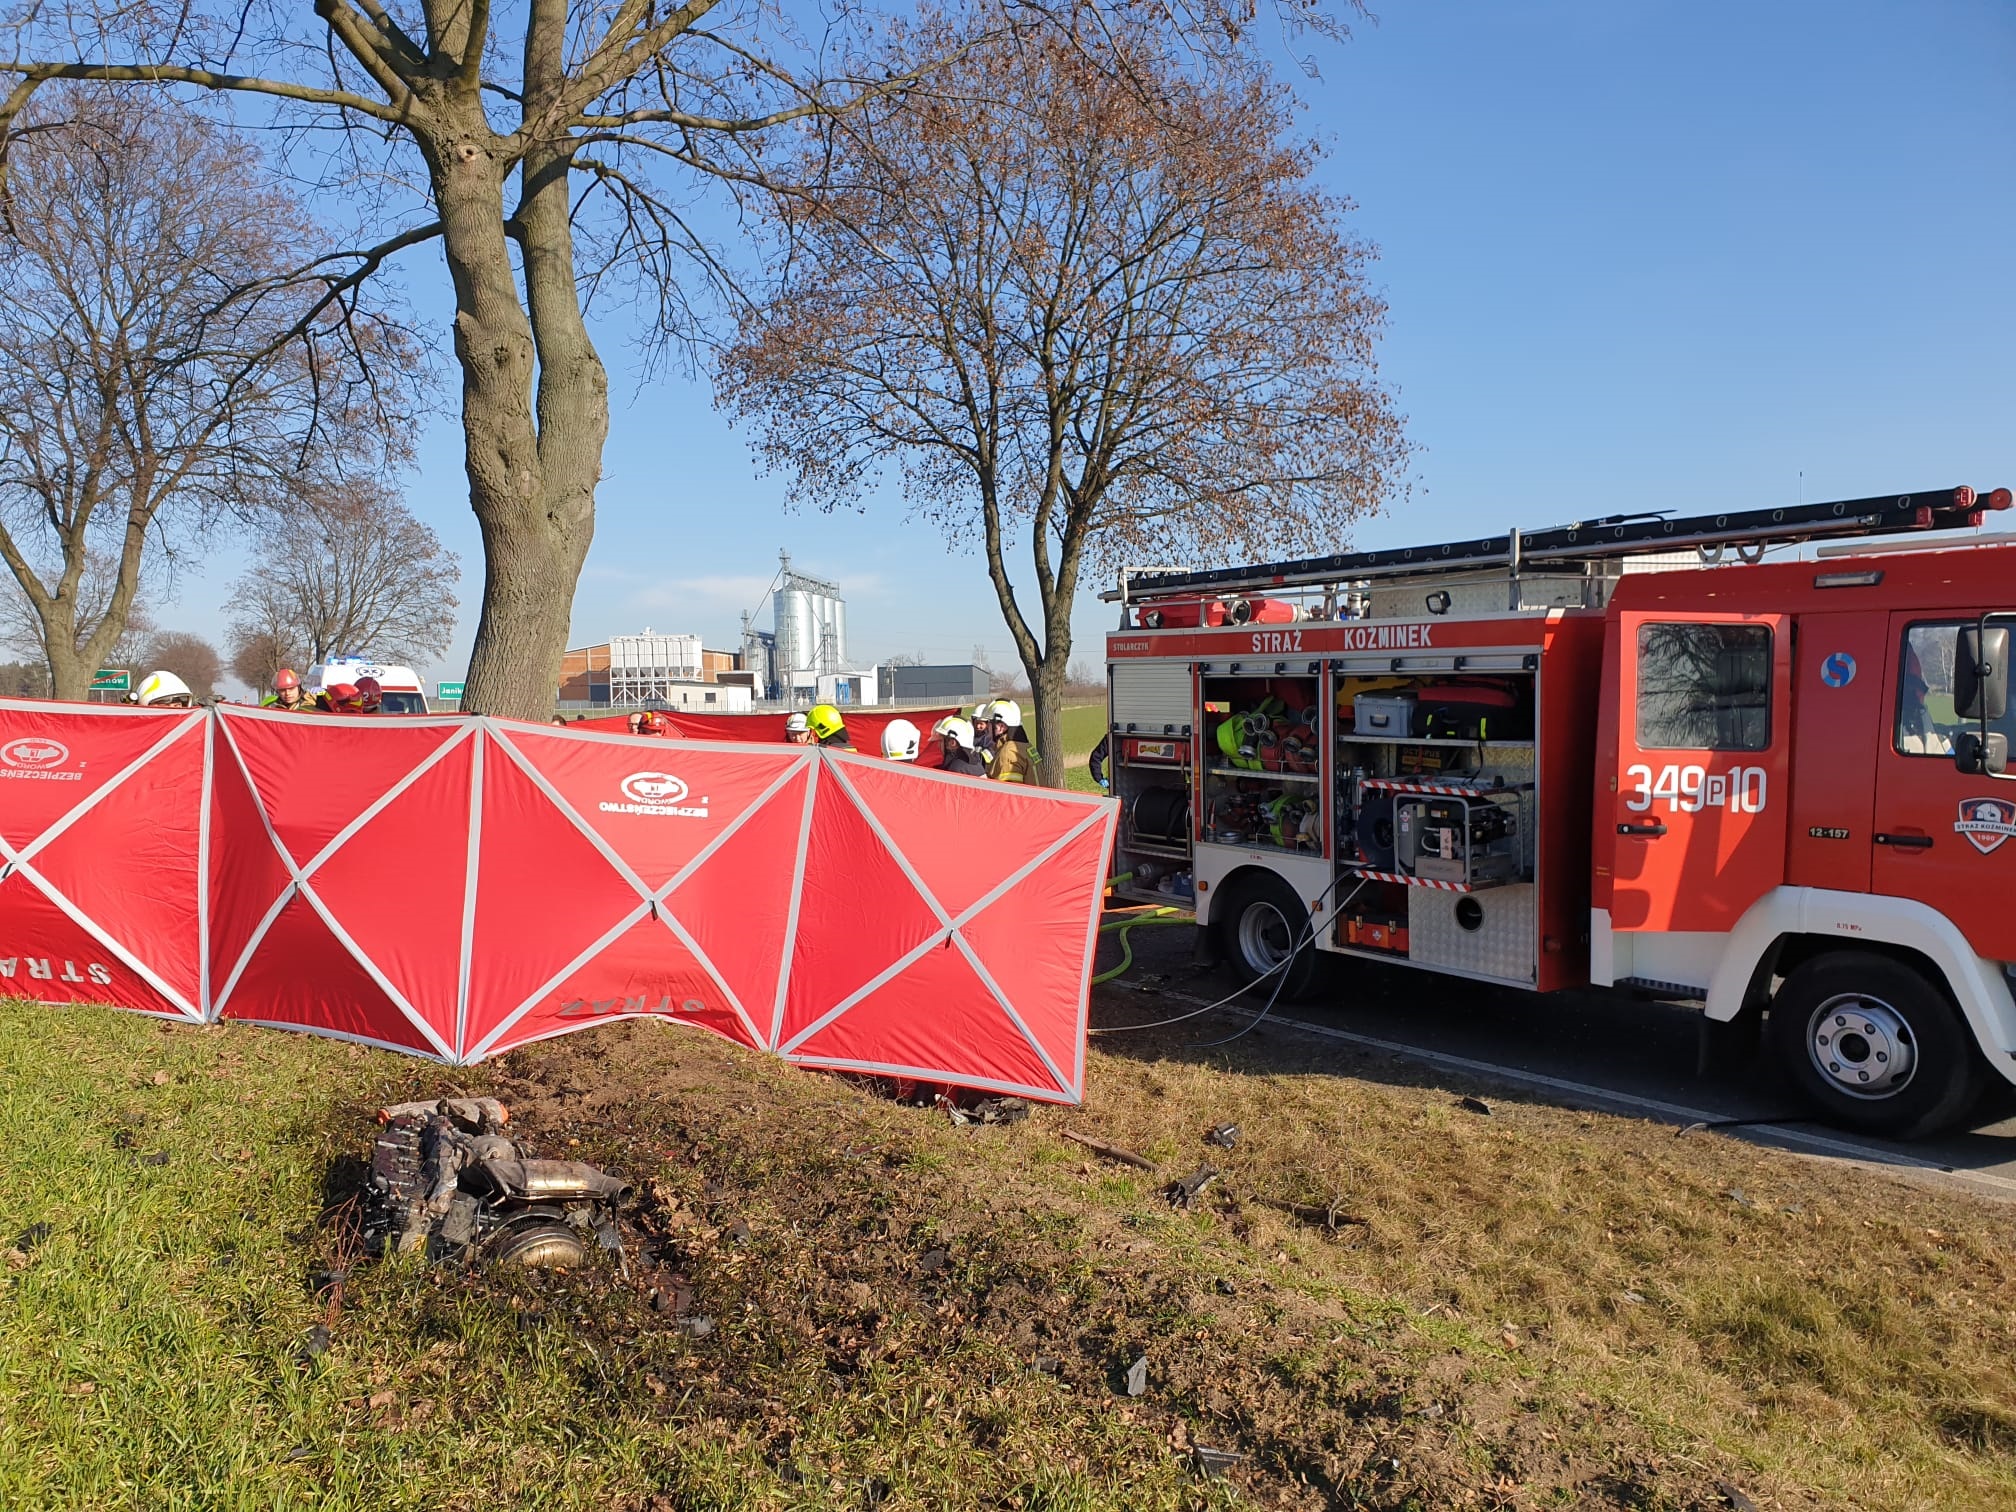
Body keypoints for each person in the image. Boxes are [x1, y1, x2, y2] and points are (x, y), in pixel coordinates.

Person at [985, 699, 1038, 783]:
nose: (986, 729)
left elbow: (1008, 790)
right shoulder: (1027, 747)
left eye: (989, 724)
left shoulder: (1007, 754)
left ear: (1000, 727)